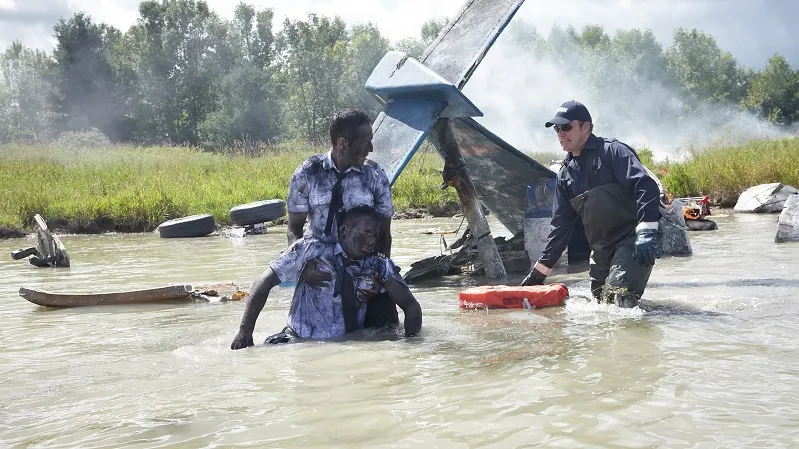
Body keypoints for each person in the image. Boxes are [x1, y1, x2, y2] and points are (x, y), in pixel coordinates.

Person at [521, 101, 662, 308]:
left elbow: (645, 186)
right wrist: (537, 275)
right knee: (599, 304)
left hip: (633, 240)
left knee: (617, 300)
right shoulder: (564, 176)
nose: (561, 133)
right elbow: (560, 231)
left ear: (585, 127)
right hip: (601, 250)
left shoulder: (613, 152)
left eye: (566, 127)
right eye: (557, 129)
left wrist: (647, 232)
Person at [230, 206, 422, 349]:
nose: (372, 240)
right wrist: (245, 332)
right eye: (366, 232)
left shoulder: (379, 265)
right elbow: (263, 283)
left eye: (376, 235)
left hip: (350, 345)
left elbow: (412, 307)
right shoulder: (311, 250)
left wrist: (411, 346)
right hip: (297, 341)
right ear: (345, 230)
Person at [286, 108, 398, 323]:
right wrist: (302, 266)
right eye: (365, 142)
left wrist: (379, 275)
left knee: (387, 331)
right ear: (342, 143)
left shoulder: (374, 175)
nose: (371, 148)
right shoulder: (308, 173)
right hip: (320, 266)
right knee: (309, 337)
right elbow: (294, 228)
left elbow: (384, 233)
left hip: (364, 266)